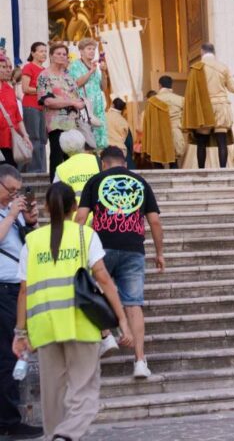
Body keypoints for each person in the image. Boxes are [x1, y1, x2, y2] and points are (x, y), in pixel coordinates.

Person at [13, 182, 132, 441]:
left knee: (52, 395)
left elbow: (23, 291)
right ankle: (66, 435)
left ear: (46, 207)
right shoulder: (84, 235)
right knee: (85, 391)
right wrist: (121, 318)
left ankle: (53, 435)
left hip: (43, 327)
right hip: (81, 323)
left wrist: (20, 332)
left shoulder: (32, 241)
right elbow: (102, 278)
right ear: (75, 207)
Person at [75, 146, 164, 379]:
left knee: (95, 293)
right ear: (124, 163)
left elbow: (81, 218)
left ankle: (107, 336)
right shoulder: (141, 182)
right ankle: (140, 361)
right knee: (134, 303)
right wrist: (160, 253)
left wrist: (77, 246)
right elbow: (154, 221)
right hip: (133, 249)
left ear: (103, 163)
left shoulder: (95, 181)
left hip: (100, 248)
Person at [0, 166, 42, 439]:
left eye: (18, 192)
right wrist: (13, 214)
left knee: (11, 353)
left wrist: (30, 222)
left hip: (17, 289)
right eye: (10, 191)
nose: (13, 196)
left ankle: (9, 418)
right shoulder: (7, 213)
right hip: (3, 290)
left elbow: (28, 245)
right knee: (6, 355)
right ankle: (10, 421)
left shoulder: (11, 213)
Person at [182, 43, 234, 169]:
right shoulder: (223, 67)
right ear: (214, 52)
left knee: (202, 142)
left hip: (204, 107)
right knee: (222, 141)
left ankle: (201, 171)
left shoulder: (196, 67)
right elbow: (233, 89)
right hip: (221, 105)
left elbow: (191, 93)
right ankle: (223, 170)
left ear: (201, 52)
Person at [37, 43, 86, 182]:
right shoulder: (44, 75)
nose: (62, 56)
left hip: (73, 124)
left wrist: (81, 103)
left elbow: (77, 98)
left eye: (64, 54)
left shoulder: (68, 76)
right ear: (51, 56)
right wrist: (71, 102)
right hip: (56, 124)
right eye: (58, 53)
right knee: (57, 157)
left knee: (73, 158)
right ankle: (56, 190)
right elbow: (47, 101)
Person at [68, 39, 108, 150]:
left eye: (93, 49)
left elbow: (103, 87)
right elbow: (76, 84)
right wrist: (90, 72)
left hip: (97, 108)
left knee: (98, 143)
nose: (92, 51)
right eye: (89, 49)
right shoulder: (74, 66)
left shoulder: (95, 65)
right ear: (81, 51)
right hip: (84, 108)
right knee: (85, 140)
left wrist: (104, 72)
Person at [53, 130, 100, 223]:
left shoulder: (61, 169)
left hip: (74, 220)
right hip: (97, 217)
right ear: (83, 142)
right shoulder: (97, 161)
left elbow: (56, 198)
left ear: (63, 147)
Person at [20, 42, 47, 173]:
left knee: (42, 139)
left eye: (45, 51)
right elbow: (25, 88)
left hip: (43, 108)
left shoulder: (45, 70)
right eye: (41, 51)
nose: (44, 54)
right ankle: (33, 169)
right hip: (31, 106)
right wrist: (42, 90)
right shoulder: (28, 67)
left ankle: (41, 168)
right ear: (33, 53)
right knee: (34, 137)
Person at [0, 57, 31, 168]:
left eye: (9, 67)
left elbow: (17, 117)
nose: (8, 70)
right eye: (3, 67)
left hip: (10, 141)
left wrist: (25, 135)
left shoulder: (9, 89)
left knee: (11, 174)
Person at [154, 76, 186, 167]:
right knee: (174, 161)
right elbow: (185, 117)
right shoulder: (180, 99)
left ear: (159, 85)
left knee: (158, 162)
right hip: (175, 131)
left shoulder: (154, 100)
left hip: (159, 133)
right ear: (171, 85)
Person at [142, 90, 176, 169]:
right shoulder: (167, 105)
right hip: (169, 136)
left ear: (148, 99)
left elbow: (142, 127)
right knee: (173, 160)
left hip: (154, 138)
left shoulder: (146, 110)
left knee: (156, 162)